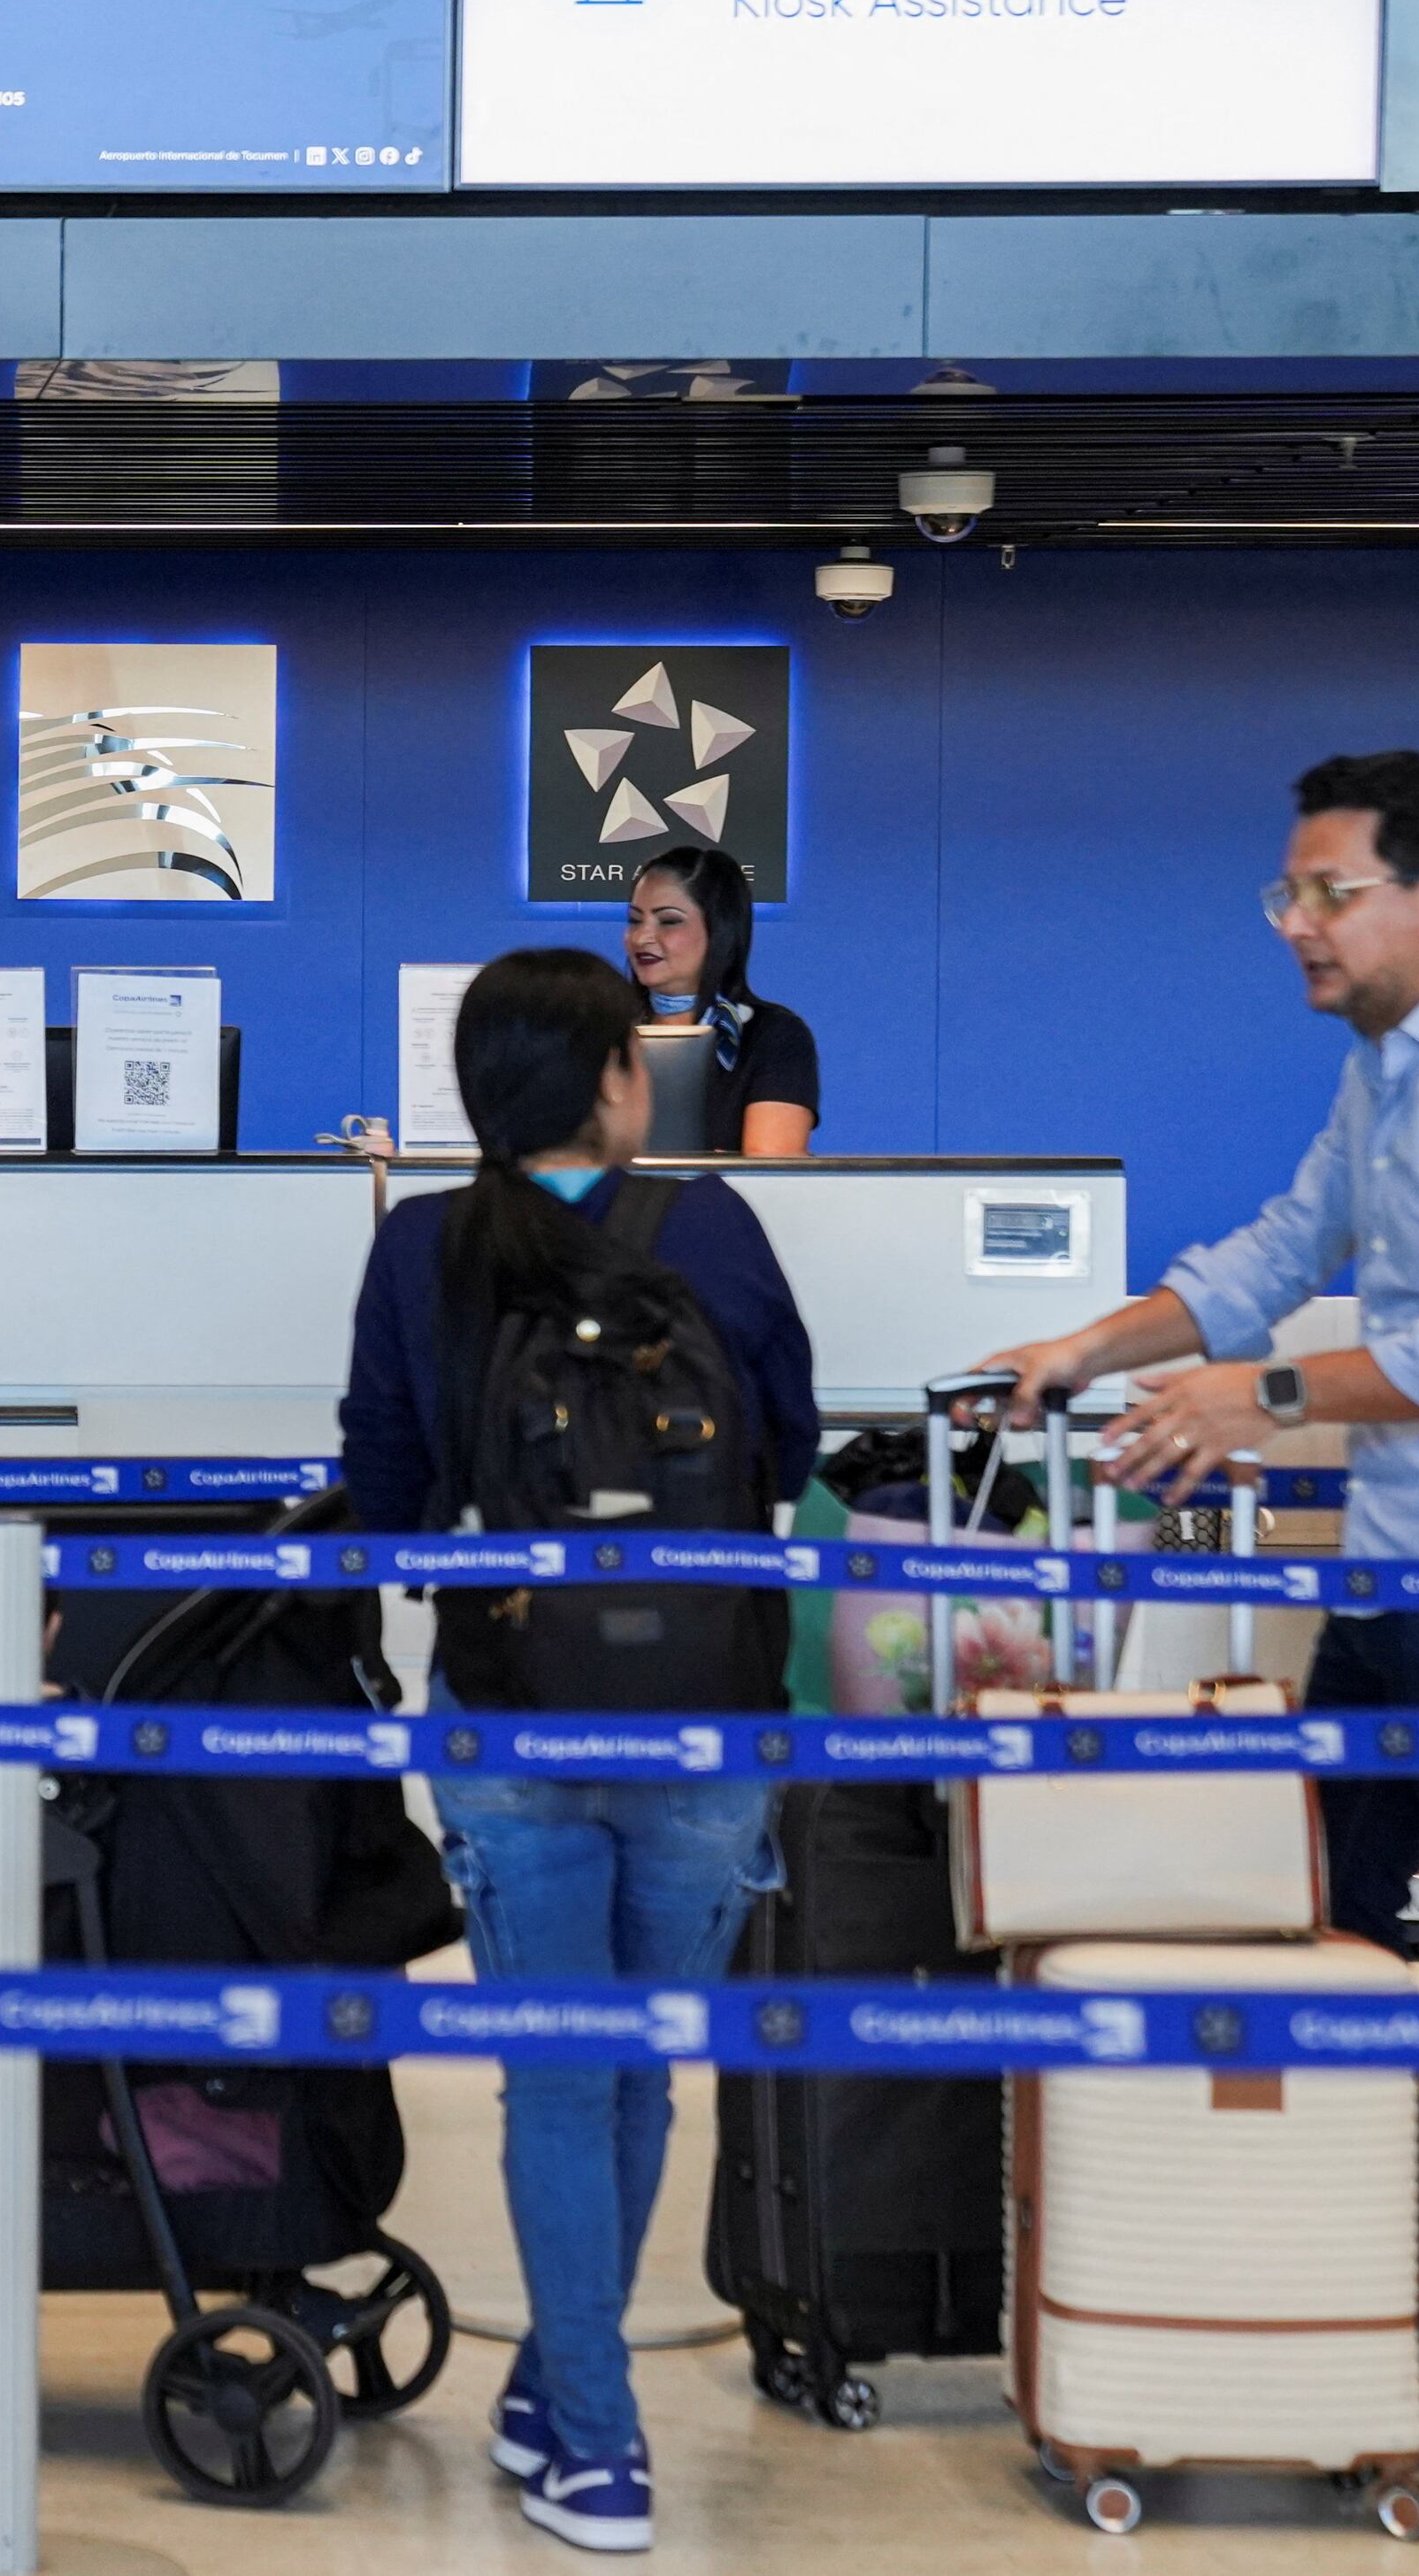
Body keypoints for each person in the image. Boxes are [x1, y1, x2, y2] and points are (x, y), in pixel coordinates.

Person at [977, 749, 1419, 2472]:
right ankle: (1355, 2312)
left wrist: (1262, 1399)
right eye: (1284, 892)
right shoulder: (1389, 1072)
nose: (1294, 923)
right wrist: (1088, 1346)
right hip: (1395, 1584)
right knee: (1305, 1939)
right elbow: (1270, 1251)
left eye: (1324, 890)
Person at [341, 949, 815, 2555]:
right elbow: (793, 1445)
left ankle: (589, 2433)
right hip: (709, 1715)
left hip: (510, 1711)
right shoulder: (718, 1228)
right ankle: (567, 2399)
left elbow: (390, 1510)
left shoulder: (421, 1248)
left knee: (556, 2070)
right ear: (622, 1079)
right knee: (640, 2066)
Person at [623, 846, 814, 1155]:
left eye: (668, 921)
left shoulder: (773, 1036)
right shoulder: (603, 1031)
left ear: (720, 930)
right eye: (634, 920)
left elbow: (771, 1174)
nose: (642, 937)